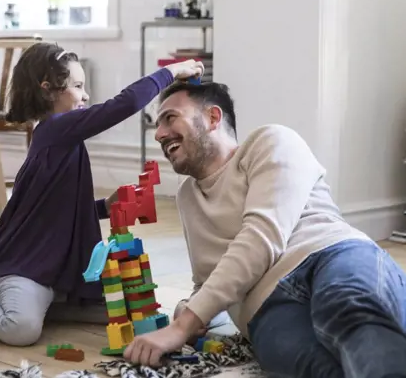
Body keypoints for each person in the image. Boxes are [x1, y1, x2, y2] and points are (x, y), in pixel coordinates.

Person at [123, 81, 406, 377]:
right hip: (265, 307)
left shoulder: (271, 141)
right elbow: (209, 279)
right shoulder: (187, 198)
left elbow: (262, 237)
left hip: (328, 255)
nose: (159, 134)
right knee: (310, 364)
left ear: (212, 118)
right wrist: (188, 308)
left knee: (351, 311)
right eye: (158, 126)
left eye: (170, 118)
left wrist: (183, 327)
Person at [0, 42, 205, 346]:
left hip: (58, 273)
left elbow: (51, 209)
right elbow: (121, 105)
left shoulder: (62, 140)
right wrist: (171, 71)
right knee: (22, 330)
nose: (85, 95)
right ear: (48, 90)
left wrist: (103, 207)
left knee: (122, 312)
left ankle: (50, 307)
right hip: (23, 268)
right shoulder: (55, 130)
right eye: (77, 86)